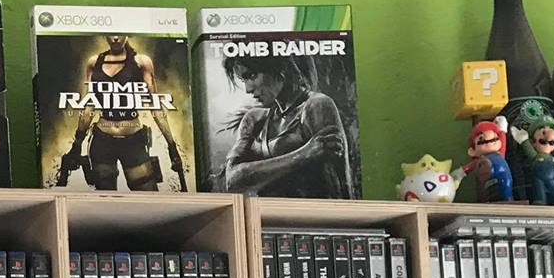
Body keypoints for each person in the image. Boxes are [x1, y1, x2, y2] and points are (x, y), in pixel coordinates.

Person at [54, 34, 187, 191]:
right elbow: (88, 106)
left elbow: (156, 106)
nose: (116, 38)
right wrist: (77, 143)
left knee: (148, 196)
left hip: (133, 141)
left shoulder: (141, 62)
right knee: (106, 196)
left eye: (120, 33)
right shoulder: (94, 63)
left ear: (127, 34)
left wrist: (172, 146)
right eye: (111, 33)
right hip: (102, 140)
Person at [216, 52, 355, 198]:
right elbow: (232, 180)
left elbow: (339, 185)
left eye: (252, 75)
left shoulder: (316, 105)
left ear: (279, 67)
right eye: (244, 79)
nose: (248, 89)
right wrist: (305, 154)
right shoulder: (255, 118)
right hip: (265, 211)